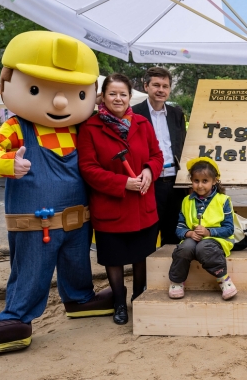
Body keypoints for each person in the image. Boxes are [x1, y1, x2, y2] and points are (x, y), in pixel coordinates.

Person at [0, 31, 115, 355]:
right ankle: (16, 317)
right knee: (32, 270)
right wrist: (9, 162)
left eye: (76, 92)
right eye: (36, 89)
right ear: (4, 84)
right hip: (37, 223)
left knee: (77, 262)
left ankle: (80, 299)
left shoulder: (83, 128)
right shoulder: (17, 126)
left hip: (78, 220)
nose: (61, 102)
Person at [78, 73, 164, 325]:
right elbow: (88, 168)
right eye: (112, 93)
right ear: (103, 96)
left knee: (141, 255)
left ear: (130, 96)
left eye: (123, 94)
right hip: (111, 205)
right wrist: (122, 182)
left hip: (142, 205)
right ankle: (119, 301)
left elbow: (157, 155)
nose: (118, 98)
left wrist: (149, 170)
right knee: (114, 258)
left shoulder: (142, 124)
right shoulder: (90, 128)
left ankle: (139, 296)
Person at [168, 157, 238, 300]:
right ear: (191, 181)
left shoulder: (223, 200)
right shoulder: (187, 201)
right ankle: (177, 281)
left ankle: (223, 279)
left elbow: (229, 229)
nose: (200, 185)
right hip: (193, 239)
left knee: (204, 247)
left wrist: (209, 232)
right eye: (196, 181)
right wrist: (188, 233)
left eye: (205, 181)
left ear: (214, 181)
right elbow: (180, 227)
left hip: (216, 240)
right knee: (184, 248)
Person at [132, 67, 187, 247]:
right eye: (156, 85)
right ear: (146, 86)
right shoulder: (133, 113)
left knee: (173, 233)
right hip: (149, 182)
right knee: (147, 233)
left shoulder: (176, 114)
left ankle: (170, 274)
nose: (161, 90)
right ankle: (146, 274)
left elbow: (182, 145)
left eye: (165, 86)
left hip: (174, 182)